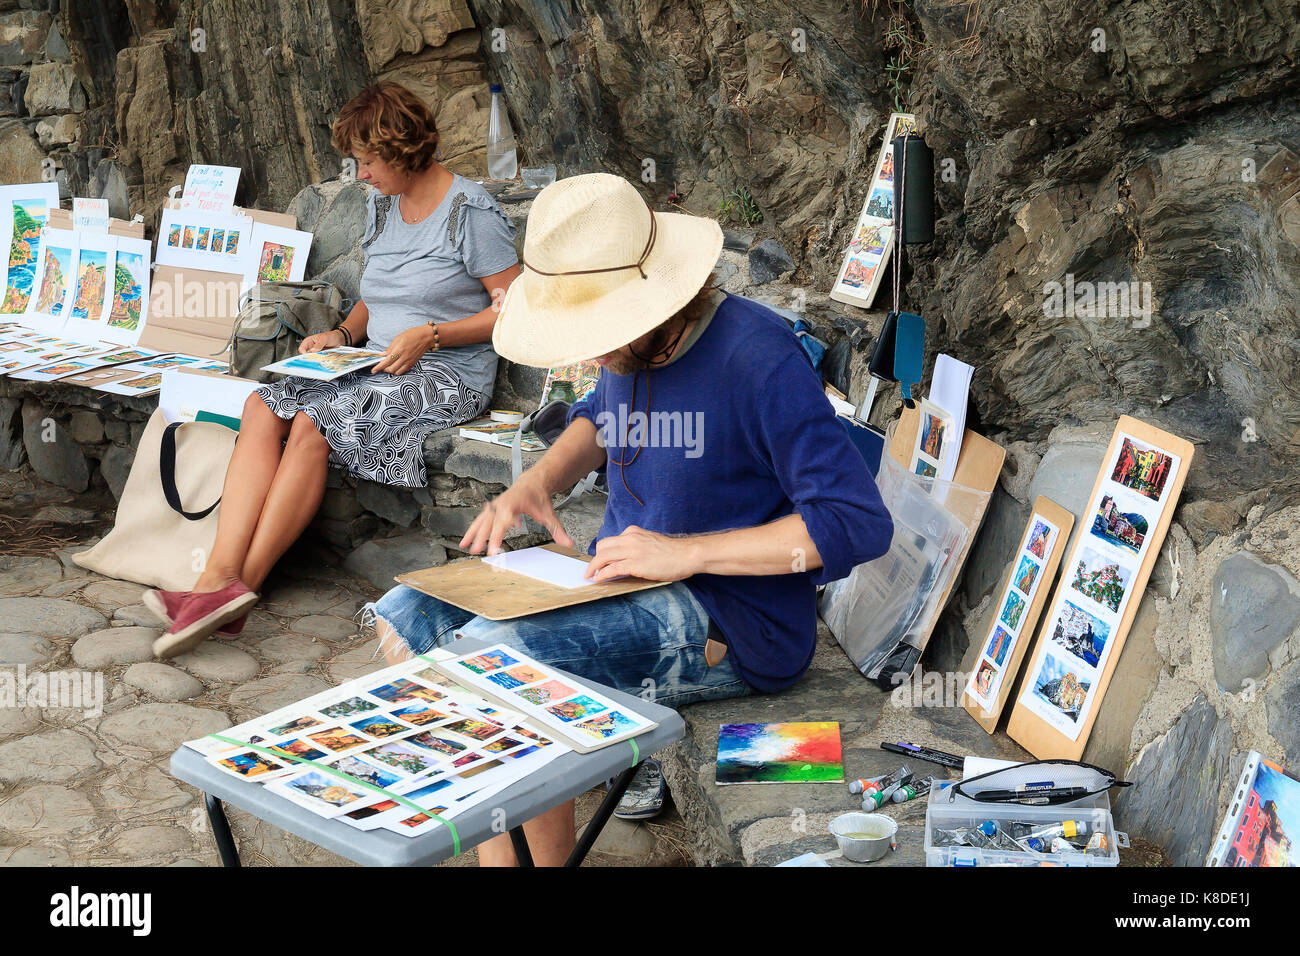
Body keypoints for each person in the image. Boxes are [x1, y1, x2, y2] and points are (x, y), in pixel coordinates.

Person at [366, 173, 894, 865]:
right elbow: (599, 415)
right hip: (618, 580)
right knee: (407, 613)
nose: (594, 353)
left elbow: (856, 523)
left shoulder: (760, 358)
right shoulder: (636, 341)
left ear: (663, 302)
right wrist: (540, 478)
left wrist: (690, 553)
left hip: (731, 621)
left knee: (499, 663)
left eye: (603, 335)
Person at [146, 82, 521, 658]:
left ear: (403, 151)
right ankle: (215, 580)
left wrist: (435, 334)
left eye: (369, 162)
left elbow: (513, 308)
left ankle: (236, 589)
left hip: (446, 375)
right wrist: (343, 333)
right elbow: (381, 292)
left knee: (312, 423)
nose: (362, 175)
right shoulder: (382, 205)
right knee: (262, 403)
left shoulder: (469, 212)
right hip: (375, 362)